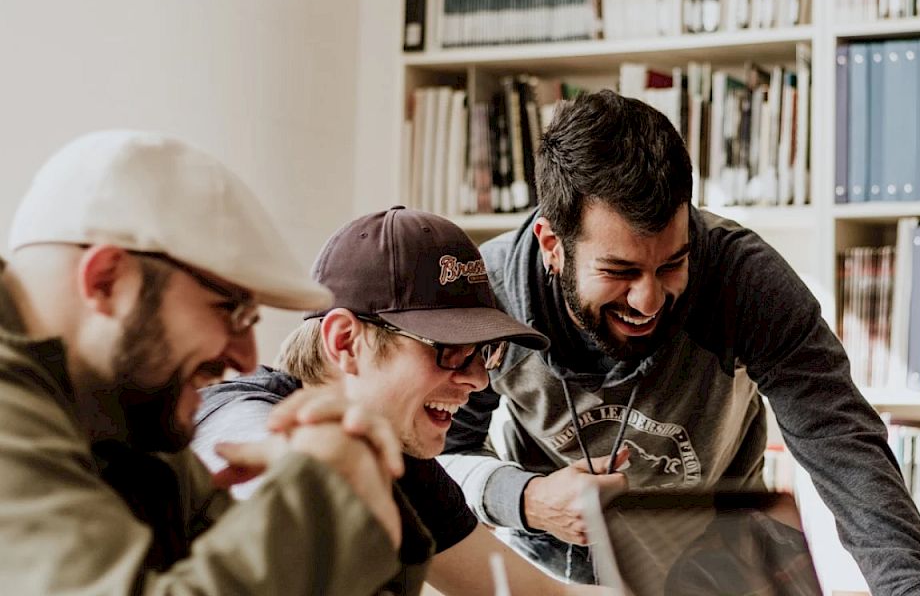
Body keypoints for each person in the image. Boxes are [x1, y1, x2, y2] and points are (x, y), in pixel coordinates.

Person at [439, 90, 920, 595]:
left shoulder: (742, 278)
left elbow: (842, 441)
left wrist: (911, 588)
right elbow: (438, 458)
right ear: (552, 245)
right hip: (552, 573)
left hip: (721, 562)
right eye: (619, 271)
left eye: (671, 264)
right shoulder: (490, 294)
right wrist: (526, 499)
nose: (649, 300)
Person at [0, 130, 409, 594]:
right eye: (231, 310)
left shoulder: (130, 412)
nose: (247, 358)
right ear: (106, 281)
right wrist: (324, 489)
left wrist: (362, 480)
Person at [193, 206, 609, 595]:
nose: (479, 380)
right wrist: (308, 473)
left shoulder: (403, 460)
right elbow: (257, 458)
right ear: (345, 342)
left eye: (486, 351)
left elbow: (540, 593)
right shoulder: (236, 412)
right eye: (449, 348)